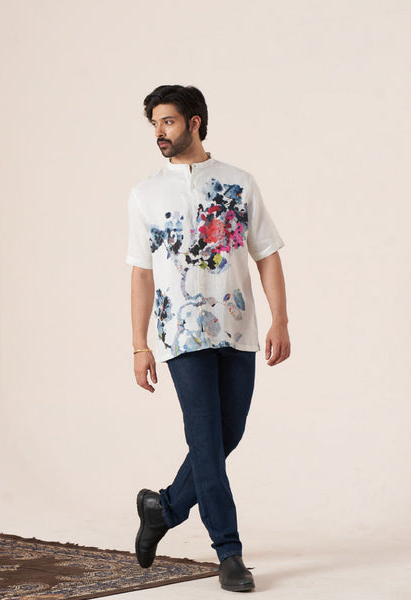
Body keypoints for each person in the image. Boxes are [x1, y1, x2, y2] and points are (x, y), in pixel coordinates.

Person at [125, 84, 290, 593]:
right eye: (155, 123)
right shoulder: (145, 193)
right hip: (180, 334)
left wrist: (280, 320)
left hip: (237, 330)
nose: (160, 132)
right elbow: (141, 273)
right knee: (205, 441)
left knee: (227, 434)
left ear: (195, 122)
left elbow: (267, 254)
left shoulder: (239, 183)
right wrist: (139, 344)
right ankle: (229, 553)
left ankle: (163, 508)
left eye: (169, 121)